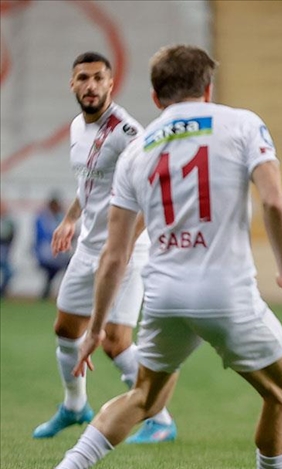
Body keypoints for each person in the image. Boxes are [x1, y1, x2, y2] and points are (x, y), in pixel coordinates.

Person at [34, 44, 282, 469]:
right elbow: (273, 201)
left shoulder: (137, 147)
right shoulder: (242, 123)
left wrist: (97, 328)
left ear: (157, 97)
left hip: (165, 295)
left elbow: (114, 255)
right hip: (226, 291)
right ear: (209, 88)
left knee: (142, 395)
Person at [31, 52, 177, 444]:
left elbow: (154, 193)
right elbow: (89, 183)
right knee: (65, 327)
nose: (91, 85)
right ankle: (75, 406)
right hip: (89, 245)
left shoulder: (128, 133)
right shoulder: (79, 127)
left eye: (98, 78)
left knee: (115, 342)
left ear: (111, 84)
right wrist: (71, 218)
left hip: (125, 250)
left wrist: (126, 244)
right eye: (83, 78)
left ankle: (161, 419)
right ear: (72, 84)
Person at [33, 195, 70, 300]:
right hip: (47, 252)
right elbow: (46, 235)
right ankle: (51, 292)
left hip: (57, 253)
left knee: (57, 271)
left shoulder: (59, 217)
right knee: (54, 270)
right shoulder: (44, 218)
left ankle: (49, 292)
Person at [0, 199, 15, 298]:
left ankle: (2, 291)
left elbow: (8, 236)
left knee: (9, 272)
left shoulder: (8, 221)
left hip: (3, 253)